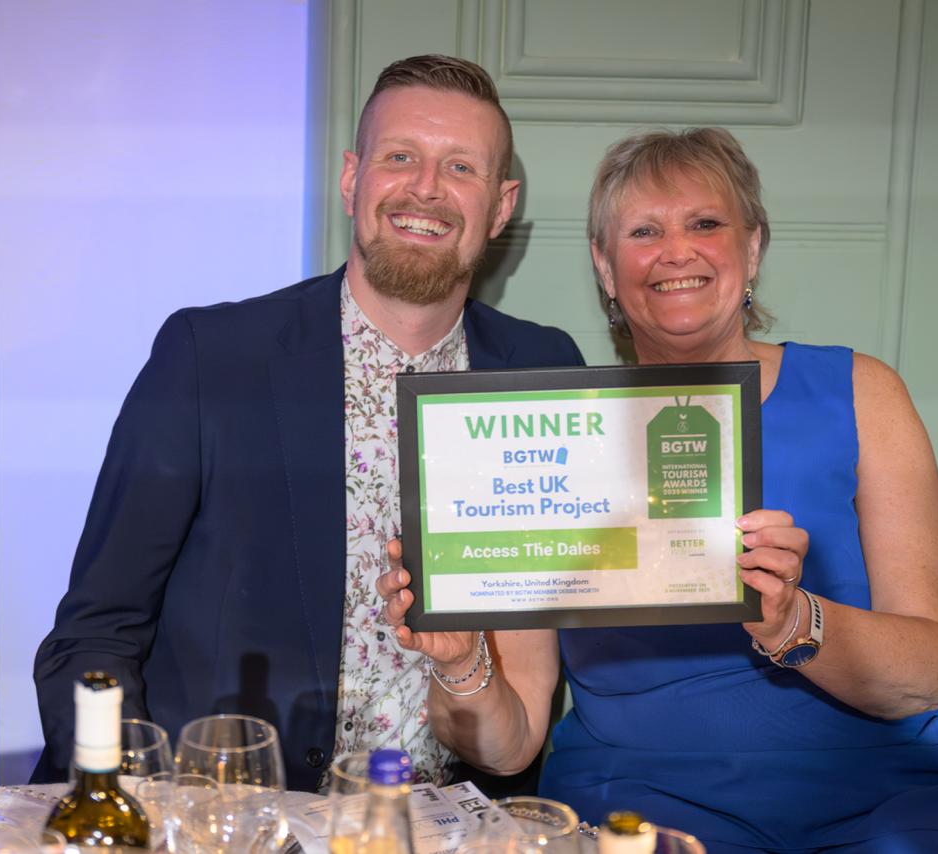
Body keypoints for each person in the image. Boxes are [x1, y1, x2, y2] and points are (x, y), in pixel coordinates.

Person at [379, 128, 938, 852]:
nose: (676, 251)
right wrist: (459, 661)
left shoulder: (861, 394)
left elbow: (926, 672)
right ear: (605, 265)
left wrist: (797, 621)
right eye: (643, 231)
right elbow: (508, 749)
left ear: (752, 248)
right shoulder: (554, 434)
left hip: (886, 792)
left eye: (705, 223)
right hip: (638, 803)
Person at [31, 55, 583, 791]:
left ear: (502, 205)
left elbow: (513, 735)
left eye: (460, 168)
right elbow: (96, 636)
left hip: (437, 823)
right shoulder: (210, 359)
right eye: (399, 158)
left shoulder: (542, 373)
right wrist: (132, 806)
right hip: (224, 815)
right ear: (353, 178)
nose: (426, 187)